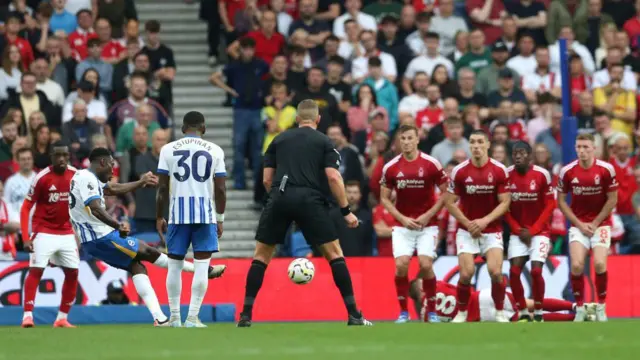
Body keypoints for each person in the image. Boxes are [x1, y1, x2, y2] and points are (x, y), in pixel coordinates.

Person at [237, 100, 372, 327]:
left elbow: (267, 179)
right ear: (318, 119)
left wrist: (278, 199)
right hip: (310, 199)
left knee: (261, 256)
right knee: (335, 254)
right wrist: (346, 211)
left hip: (280, 196)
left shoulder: (278, 140)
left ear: (297, 119)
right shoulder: (324, 141)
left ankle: (245, 315)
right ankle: (354, 315)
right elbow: (333, 177)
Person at [70, 147, 224, 327]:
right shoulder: (87, 178)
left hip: (94, 240)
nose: (113, 170)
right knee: (148, 251)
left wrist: (140, 182)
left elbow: (111, 189)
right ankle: (202, 270)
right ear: (102, 162)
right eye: (112, 165)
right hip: (100, 237)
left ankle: (160, 318)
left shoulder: (84, 177)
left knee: (137, 266)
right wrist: (116, 224)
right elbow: (95, 207)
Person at [155, 111, 228, 328]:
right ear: (203, 128)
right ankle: (193, 317)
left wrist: (159, 215)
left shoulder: (168, 149)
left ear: (183, 128)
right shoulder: (215, 150)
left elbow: (161, 188)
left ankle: (175, 317)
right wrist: (220, 218)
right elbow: (221, 189)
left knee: (175, 266)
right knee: (202, 265)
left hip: (177, 216)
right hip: (205, 216)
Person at [380, 124, 448, 323]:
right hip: (403, 225)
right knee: (401, 266)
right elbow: (384, 198)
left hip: (428, 224)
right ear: (399, 142)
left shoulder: (431, 164)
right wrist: (401, 219)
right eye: (403, 139)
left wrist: (428, 215)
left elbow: (446, 193)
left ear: (417, 139)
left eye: (410, 138)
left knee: (426, 265)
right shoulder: (391, 167)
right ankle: (403, 312)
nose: (407, 142)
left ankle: (433, 311)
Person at [444, 130, 511, 323]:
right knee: (466, 273)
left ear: (488, 145)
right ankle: (462, 312)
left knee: (496, 272)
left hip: (491, 229)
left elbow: (505, 202)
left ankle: (499, 311)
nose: (476, 146)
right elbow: (449, 202)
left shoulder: (499, 170)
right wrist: (468, 223)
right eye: (472, 142)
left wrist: (484, 221)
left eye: (480, 142)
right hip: (467, 230)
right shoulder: (460, 171)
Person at [557, 133, 618, 321]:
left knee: (599, 263)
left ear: (594, 148)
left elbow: (612, 199)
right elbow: (561, 202)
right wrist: (579, 224)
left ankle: (601, 306)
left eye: (585, 147)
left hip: (600, 224)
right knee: (576, 265)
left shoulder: (606, 169)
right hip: (579, 224)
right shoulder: (567, 171)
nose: (582, 151)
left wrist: (595, 222)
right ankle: (581, 308)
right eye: (579, 147)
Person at [20, 143, 79, 328]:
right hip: (44, 230)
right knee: (36, 270)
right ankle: (27, 316)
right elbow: (26, 207)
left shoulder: (75, 175)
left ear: (68, 156)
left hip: (66, 231)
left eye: (64, 155)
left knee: (73, 273)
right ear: (51, 157)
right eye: (57, 155)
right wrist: (25, 237)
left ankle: (61, 318)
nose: (61, 159)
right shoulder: (42, 178)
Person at [504, 141, 556, 322]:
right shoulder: (506, 175)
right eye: (515, 153)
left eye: (522, 153)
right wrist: (517, 229)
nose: (517, 156)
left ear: (530, 156)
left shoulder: (542, 175)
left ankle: (539, 309)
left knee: (535, 272)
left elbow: (550, 205)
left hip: (539, 232)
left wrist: (533, 230)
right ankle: (523, 310)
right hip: (518, 232)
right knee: (515, 272)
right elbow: (504, 206)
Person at [409, 279, 584, 323]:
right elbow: (460, 290)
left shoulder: (425, 316)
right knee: (529, 304)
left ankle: (574, 319)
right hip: (482, 297)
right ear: (421, 288)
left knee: (530, 318)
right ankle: (574, 306)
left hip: (482, 316)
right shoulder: (436, 285)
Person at [3, 147, 36, 215]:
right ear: (18, 161)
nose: (26, 161)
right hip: (16, 221)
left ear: (33, 160)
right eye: (23, 159)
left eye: (29, 158)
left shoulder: (40, 179)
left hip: (36, 221)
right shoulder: (10, 182)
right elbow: (5, 204)